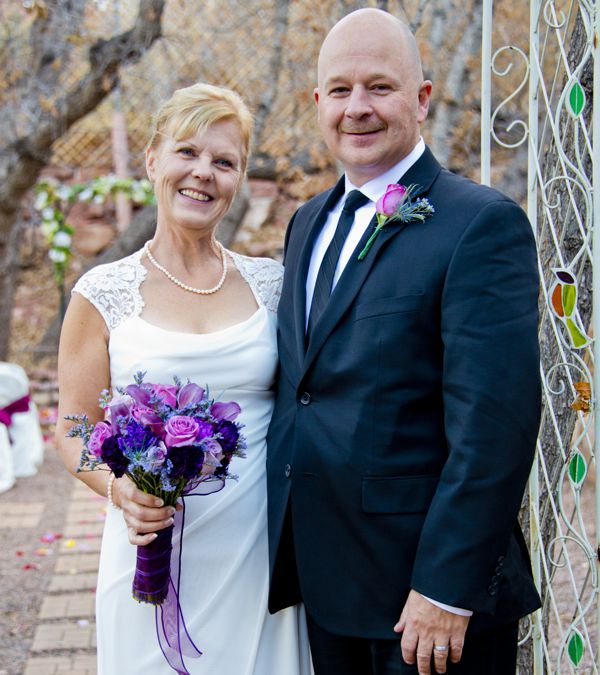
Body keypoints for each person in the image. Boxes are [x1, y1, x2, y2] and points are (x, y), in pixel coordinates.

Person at [266, 9, 541, 675]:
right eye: (339, 90)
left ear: (421, 98)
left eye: (379, 87)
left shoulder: (481, 224)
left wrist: (447, 586)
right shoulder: (307, 222)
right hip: (326, 584)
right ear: (318, 103)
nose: (356, 108)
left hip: (428, 601)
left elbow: (495, 424)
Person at [56, 82, 312, 675]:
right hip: (152, 552)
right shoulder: (103, 294)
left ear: (239, 179)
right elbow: (72, 429)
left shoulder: (272, 286)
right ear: (152, 160)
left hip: (257, 555)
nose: (203, 173)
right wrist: (123, 490)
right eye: (187, 152)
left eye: (224, 162)